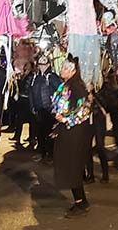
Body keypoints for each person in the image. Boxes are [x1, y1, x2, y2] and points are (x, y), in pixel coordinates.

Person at [51, 54, 93, 218]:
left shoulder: (78, 87)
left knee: (72, 167)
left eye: (64, 68)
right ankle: (80, 200)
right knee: (68, 166)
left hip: (74, 133)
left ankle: (81, 202)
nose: (61, 70)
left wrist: (67, 119)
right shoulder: (65, 85)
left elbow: (84, 110)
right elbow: (58, 102)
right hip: (66, 131)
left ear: (72, 71)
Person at [30, 55, 61, 161]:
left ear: (48, 65)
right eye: (40, 65)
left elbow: (60, 91)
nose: (42, 67)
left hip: (49, 110)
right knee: (40, 133)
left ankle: (50, 155)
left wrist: (55, 107)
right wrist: (32, 106)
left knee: (49, 134)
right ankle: (42, 153)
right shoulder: (37, 77)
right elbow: (31, 92)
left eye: (44, 65)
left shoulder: (51, 77)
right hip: (39, 110)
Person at [10, 62, 36, 147]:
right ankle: (19, 136)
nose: (25, 67)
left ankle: (30, 137)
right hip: (22, 99)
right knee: (20, 119)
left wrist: (19, 81)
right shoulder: (25, 75)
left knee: (28, 120)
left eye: (27, 66)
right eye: (25, 65)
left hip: (27, 100)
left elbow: (26, 87)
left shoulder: (30, 76)